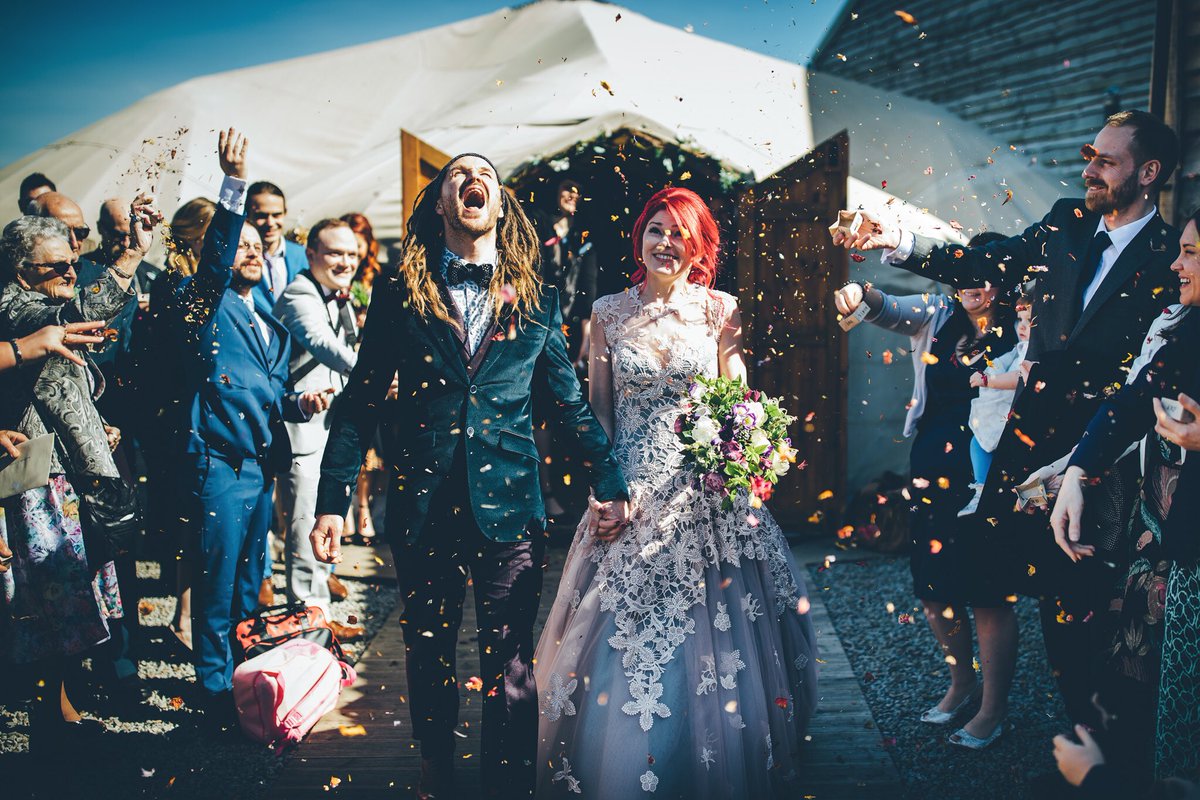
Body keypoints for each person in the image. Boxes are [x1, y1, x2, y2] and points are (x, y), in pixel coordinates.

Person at [832, 109, 1181, 734]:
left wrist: (1087, 463)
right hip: (1021, 455)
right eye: (1089, 155)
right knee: (1003, 589)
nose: (1090, 169)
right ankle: (1045, 733)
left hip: (1102, 465)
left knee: (1090, 617)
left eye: (1106, 160)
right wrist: (897, 240)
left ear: (1148, 173)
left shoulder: (1169, 258)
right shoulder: (1067, 223)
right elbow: (982, 264)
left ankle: (1104, 751)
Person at [309, 152, 630, 799]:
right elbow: (362, 398)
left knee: (511, 664)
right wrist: (331, 500)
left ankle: (507, 785)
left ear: (501, 205)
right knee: (428, 654)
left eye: (483, 174)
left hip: (509, 507)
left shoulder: (532, 295)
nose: (470, 180)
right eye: (456, 174)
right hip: (425, 507)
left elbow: (565, 401)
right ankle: (434, 769)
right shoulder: (403, 292)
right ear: (439, 203)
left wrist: (611, 480)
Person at [533, 187, 819, 798]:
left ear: (699, 246)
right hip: (631, 495)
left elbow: (739, 405)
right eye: (656, 229)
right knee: (629, 631)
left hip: (706, 495)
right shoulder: (607, 313)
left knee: (713, 631)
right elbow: (601, 415)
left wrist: (745, 461)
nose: (666, 242)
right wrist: (602, 490)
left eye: (679, 233)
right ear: (639, 238)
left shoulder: (721, 311)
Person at [164, 129, 328, 722]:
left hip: (260, 470)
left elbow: (270, 392)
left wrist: (298, 405)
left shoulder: (267, 321)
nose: (254, 252)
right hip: (218, 466)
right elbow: (213, 268)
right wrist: (234, 183)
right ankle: (211, 690)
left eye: (262, 245)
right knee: (213, 583)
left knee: (248, 580)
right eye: (241, 244)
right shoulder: (199, 305)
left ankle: (241, 677)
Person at [832, 231, 1018, 750]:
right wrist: (861, 294)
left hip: (991, 474)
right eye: (963, 274)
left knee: (988, 593)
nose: (970, 286)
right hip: (933, 465)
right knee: (933, 588)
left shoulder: (1023, 327)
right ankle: (962, 684)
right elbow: (888, 308)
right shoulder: (937, 312)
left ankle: (993, 708)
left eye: (981, 276)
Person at [0, 200, 160, 757]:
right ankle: (51, 721)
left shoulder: (47, 305)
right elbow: (54, 325)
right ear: (23, 271)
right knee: (53, 603)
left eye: (72, 261)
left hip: (71, 479)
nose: (71, 271)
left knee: (78, 597)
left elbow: (82, 319)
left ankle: (63, 709)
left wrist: (132, 254)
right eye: (57, 266)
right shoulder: (16, 311)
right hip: (38, 482)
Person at [1050, 208, 1200, 782]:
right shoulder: (1186, 330)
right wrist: (1073, 476)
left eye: (1190, 252)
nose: (1175, 262)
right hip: (1166, 558)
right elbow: (1132, 402)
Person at [272, 217, 364, 641]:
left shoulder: (340, 296)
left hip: (335, 429)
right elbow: (320, 342)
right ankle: (308, 632)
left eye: (351, 253)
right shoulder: (298, 292)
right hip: (305, 431)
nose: (346, 261)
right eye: (335, 253)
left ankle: (319, 619)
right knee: (306, 528)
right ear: (311, 255)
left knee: (329, 523)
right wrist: (370, 374)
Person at [531, 178, 599, 517]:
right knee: (539, 414)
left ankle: (585, 494)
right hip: (538, 327)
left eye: (577, 190)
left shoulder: (584, 242)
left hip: (570, 337)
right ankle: (543, 492)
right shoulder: (537, 231)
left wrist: (583, 350)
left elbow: (587, 297)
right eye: (566, 189)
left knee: (575, 414)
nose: (572, 195)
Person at [960, 298, 1032, 516]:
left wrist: (988, 380)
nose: (1021, 326)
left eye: (1029, 321)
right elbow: (1002, 362)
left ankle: (986, 494)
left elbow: (1021, 377)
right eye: (1019, 319)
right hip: (1000, 412)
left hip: (1016, 414)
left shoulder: (1034, 351)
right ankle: (982, 491)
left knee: (985, 447)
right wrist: (988, 370)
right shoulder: (1019, 348)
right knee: (978, 443)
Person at [339, 211, 386, 544]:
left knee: (372, 450)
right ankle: (342, 511)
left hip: (373, 363)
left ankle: (364, 508)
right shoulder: (340, 277)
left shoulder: (378, 278)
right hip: (343, 359)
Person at [247, 181, 305, 313]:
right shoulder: (240, 259)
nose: (270, 223)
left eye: (276, 215)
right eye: (261, 216)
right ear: (247, 215)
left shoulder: (302, 255)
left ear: (285, 213)